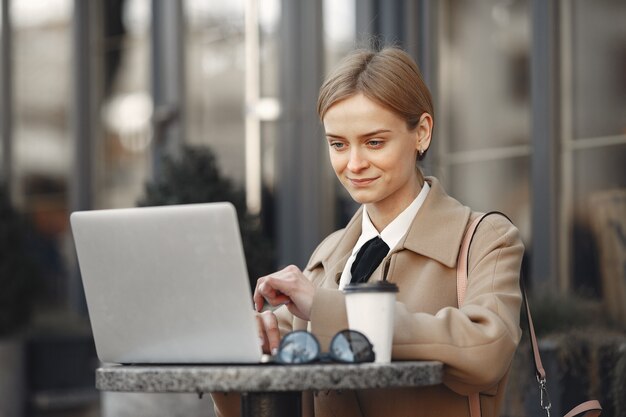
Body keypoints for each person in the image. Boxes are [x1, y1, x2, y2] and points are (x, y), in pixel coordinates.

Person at [213, 46, 524, 417]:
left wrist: (330, 310)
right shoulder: (326, 257)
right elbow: (261, 399)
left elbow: (487, 350)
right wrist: (248, 344)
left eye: (374, 142)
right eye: (338, 145)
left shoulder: (485, 239)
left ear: (422, 132)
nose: (354, 164)